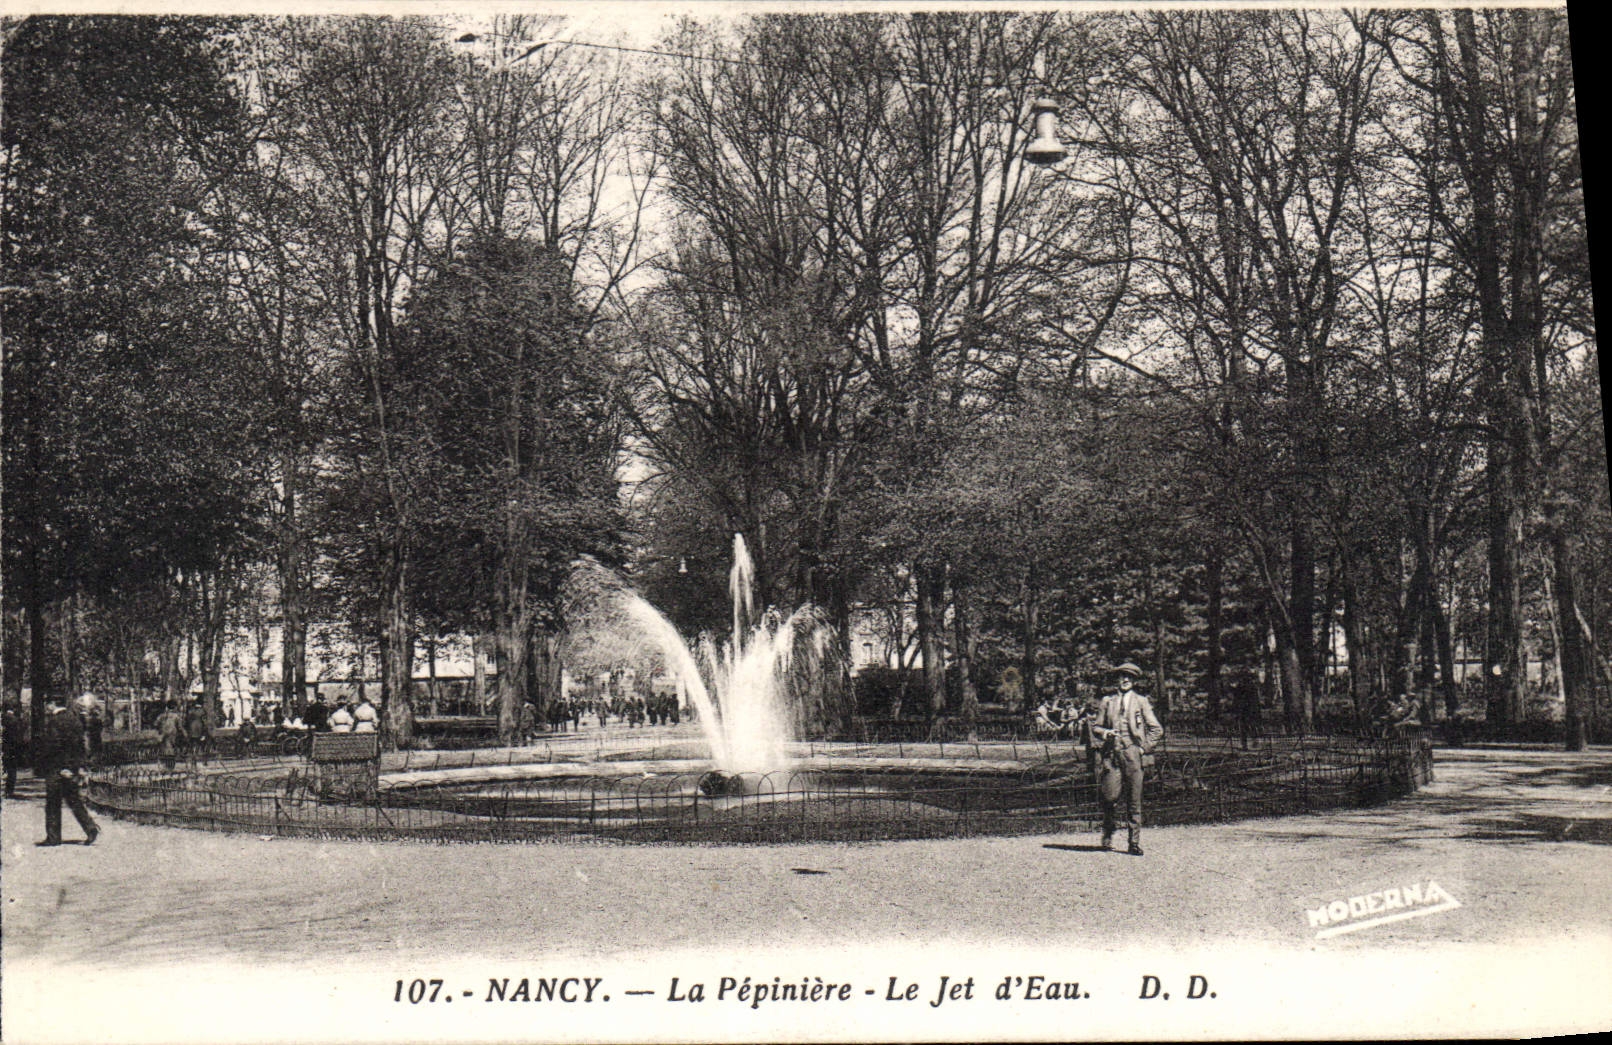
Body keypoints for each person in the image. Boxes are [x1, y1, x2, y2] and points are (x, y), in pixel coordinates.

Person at [1091, 662, 1164, 856]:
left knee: (1134, 800)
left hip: (1133, 755)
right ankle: (1108, 831)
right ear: (1117, 679)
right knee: (1109, 797)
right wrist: (1105, 733)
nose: (1125, 680)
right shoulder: (1108, 701)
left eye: (1129, 677)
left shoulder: (1141, 701)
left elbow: (1156, 729)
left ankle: (1134, 842)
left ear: (1133, 681)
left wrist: (1143, 748)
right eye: (1122, 676)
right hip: (1112, 755)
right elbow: (1096, 727)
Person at [36, 696, 99, 846]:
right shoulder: (75, 720)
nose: (46, 707)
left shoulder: (54, 721)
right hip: (72, 768)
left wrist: (57, 766)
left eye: (47, 703)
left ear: (53, 704)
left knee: (53, 802)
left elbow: (54, 746)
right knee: (73, 799)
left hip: (56, 767)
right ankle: (90, 828)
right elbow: (80, 746)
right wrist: (76, 766)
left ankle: (53, 837)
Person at [3, 701, 25, 797]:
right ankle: (9, 791)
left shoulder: (3, 718)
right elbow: (18, 738)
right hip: (11, 749)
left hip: (3, 747)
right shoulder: (16, 721)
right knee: (12, 770)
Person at [156, 701, 184, 771]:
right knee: (171, 749)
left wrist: (161, 729)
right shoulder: (176, 716)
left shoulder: (161, 716)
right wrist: (183, 733)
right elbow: (180, 727)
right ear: (174, 707)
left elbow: (156, 724)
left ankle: (165, 765)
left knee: (164, 748)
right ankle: (170, 766)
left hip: (163, 734)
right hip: (173, 734)